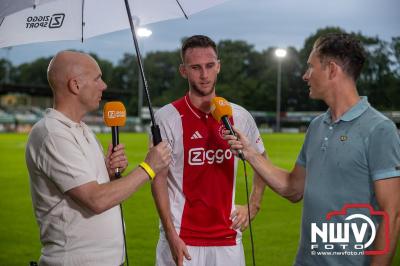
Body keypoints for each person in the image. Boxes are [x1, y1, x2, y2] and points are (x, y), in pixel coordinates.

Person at [225, 33, 400, 265]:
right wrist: (250, 153)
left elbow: (393, 214)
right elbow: (293, 188)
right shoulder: (317, 125)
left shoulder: (380, 129)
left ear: (331, 69)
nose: (305, 75)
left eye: (311, 67)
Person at [25, 51, 171, 265]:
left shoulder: (83, 130)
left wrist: (109, 175)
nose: (103, 86)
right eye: (97, 78)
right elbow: (96, 200)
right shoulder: (52, 134)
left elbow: (97, 190)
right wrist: (148, 168)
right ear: (75, 85)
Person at [151, 35, 266, 266]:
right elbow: (158, 179)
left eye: (209, 66)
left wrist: (253, 205)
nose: (204, 75)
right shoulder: (166, 118)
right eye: (196, 67)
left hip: (228, 238)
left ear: (219, 66)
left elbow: (261, 159)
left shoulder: (239, 116)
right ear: (183, 71)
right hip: (181, 238)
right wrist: (171, 235)